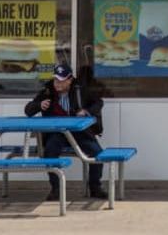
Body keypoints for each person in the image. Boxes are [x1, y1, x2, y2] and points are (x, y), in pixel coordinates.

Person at [24, 63, 107, 201]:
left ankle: (95, 187)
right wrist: (39, 105)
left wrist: (86, 111)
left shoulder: (80, 89)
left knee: (97, 153)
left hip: (80, 132)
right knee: (50, 151)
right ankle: (56, 189)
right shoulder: (47, 91)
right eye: (56, 79)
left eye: (61, 80)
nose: (57, 83)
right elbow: (28, 110)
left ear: (70, 80)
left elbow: (98, 102)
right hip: (57, 133)